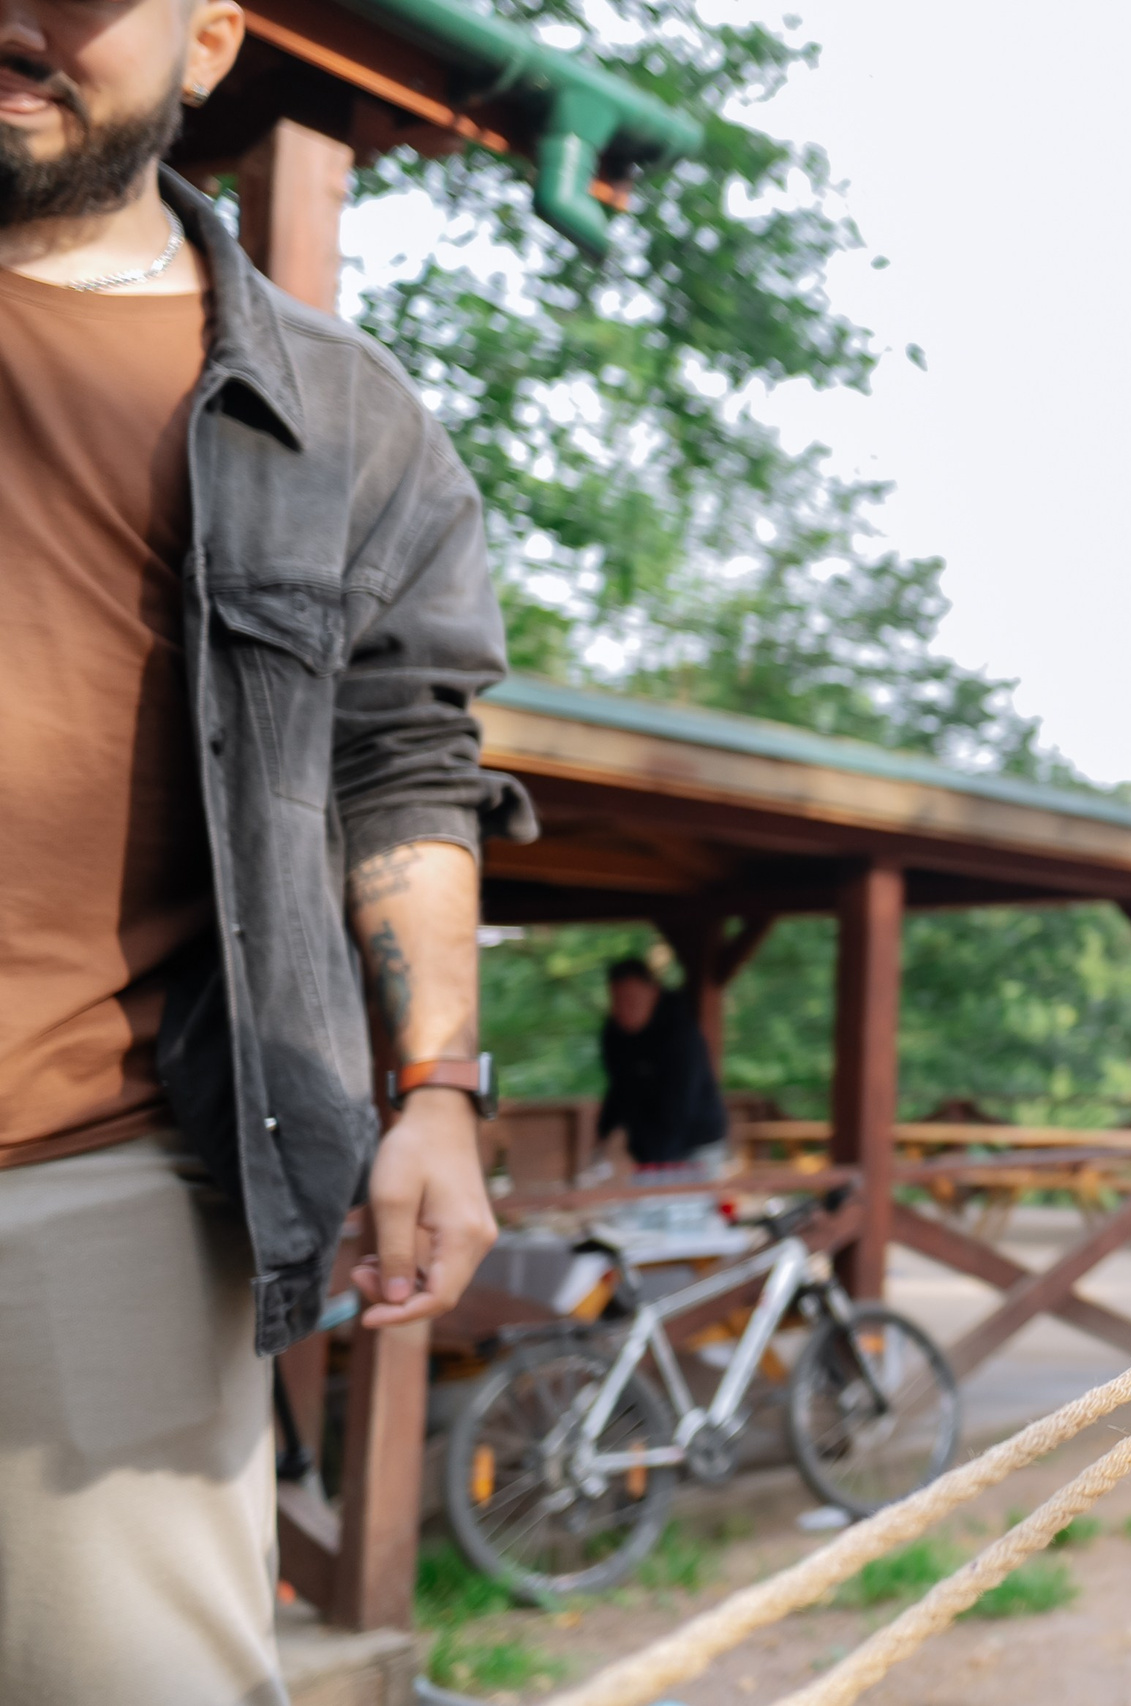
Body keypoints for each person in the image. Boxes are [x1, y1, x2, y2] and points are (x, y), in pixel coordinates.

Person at [0, 2, 526, 1699]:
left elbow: (407, 762)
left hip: (90, 1186)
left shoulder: (347, 422)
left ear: (210, 40)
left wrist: (435, 1085)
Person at [597, 958, 729, 1174]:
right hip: (647, 1147)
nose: (624, 1009)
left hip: (696, 1142)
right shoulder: (614, 1035)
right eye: (617, 1001)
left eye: (632, 1000)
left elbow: (680, 1103)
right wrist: (604, 1134)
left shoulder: (680, 1034)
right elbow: (619, 1087)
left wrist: (658, 1167)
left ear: (653, 993)